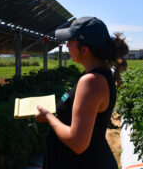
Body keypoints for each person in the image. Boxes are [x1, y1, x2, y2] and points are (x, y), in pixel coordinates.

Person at [35, 17, 128, 169]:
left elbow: (77, 143)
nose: (66, 45)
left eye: (70, 41)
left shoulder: (91, 81)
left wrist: (48, 117)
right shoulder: (100, 75)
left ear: (84, 49)